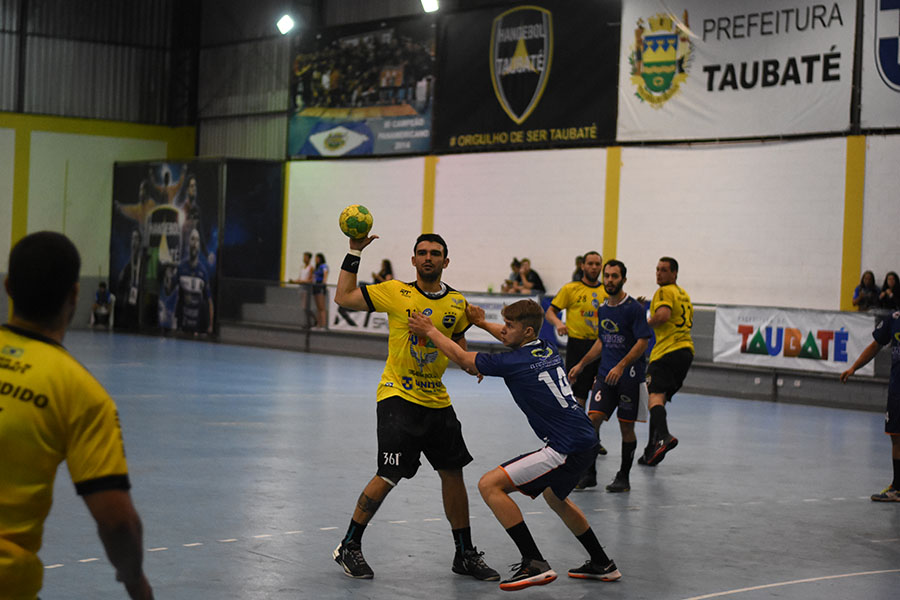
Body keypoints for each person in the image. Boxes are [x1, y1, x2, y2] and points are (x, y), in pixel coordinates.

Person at [408, 299, 621, 591]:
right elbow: (513, 338)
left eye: (509, 326)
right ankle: (602, 563)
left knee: (489, 485)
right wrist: (483, 324)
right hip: (585, 439)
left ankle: (534, 562)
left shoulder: (514, 362)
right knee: (555, 498)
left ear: (528, 330)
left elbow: (463, 358)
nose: (504, 331)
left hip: (565, 446)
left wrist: (430, 330)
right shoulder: (545, 346)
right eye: (503, 325)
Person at [330, 232, 498, 582]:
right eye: (421, 253)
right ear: (413, 260)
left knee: (453, 472)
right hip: (397, 396)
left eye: (435, 254)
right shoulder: (394, 291)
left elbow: (458, 341)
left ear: (445, 262)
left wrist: (470, 363)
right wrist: (354, 251)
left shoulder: (456, 303)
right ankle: (349, 544)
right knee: (390, 472)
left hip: (436, 398)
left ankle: (465, 553)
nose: (428, 258)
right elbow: (343, 296)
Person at [0, 231, 153, 600]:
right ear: (74, 295)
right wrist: (136, 583)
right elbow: (117, 522)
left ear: (8, 287)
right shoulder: (81, 393)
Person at [568, 260, 652, 492]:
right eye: (607, 276)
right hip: (605, 376)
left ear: (623, 279)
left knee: (626, 428)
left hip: (629, 377)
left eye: (614, 276)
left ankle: (623, 477)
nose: (609, 280)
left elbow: (643, 342)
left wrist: (622, 366)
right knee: (591, 421)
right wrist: (582, 364)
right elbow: (602, 341)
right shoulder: (603, 309)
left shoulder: (634, 308)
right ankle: (589, 473)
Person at [545, 251, 608, 462]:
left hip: (601, 346)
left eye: (597, 264)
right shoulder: (571, 289)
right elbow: (550, 312)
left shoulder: (606, 290)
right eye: (590, 263)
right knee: (579, 395)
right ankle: (580, 437)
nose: (594, 267)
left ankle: (593, 437)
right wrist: (559, 323)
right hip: (578, 345)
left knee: (600, 393)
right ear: (583, 266)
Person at [840, 311, 900, 501]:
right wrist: (854, 367)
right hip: (897, 388)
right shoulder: (894, 319)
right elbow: (875, 345)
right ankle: (897, 488)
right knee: (896, 437)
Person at [640, 257, 694, 466]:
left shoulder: (664, 292)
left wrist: (644, 325)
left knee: (654, 397)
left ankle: (663, 436)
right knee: (659, 400)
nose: (659, 273)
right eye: (657, 269)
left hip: (666, 352)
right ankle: (651, 450)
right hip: (685, 352)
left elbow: (663, 315)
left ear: (674, 273)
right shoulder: (684, 295)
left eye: (663, 270)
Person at [176, 228, 214, 335]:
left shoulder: (203, 271)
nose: (195, 243)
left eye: (197, 240)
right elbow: (170, 292)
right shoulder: (181, 268)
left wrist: (210, 326)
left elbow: (209, 301)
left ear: (199, 245)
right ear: (189, 242)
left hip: (197, 330)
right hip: (182, 329)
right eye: (192, 239)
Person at [312, 252, 329, 329]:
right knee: (318, 307)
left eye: (317, 258)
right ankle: (318, 324)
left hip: (320, 286)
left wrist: (323, 284)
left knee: (322, 307)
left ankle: (323, 325)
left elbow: (325, 274)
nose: (316, 260)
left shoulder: (323, 266)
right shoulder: (317, 267)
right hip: (315, 286)